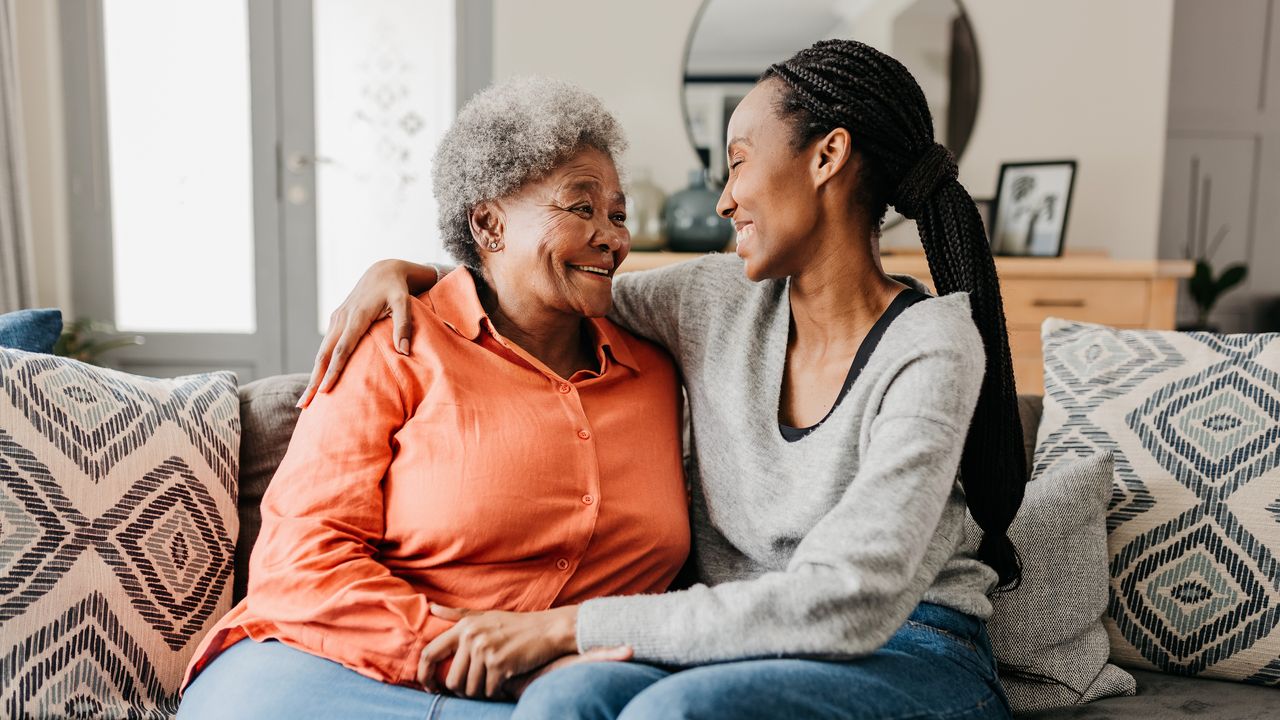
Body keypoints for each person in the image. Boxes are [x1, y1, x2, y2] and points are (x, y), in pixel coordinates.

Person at [306, 39, 1027, 720]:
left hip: (911, 646)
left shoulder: (932, 344)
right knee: (564, 701)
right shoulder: (711, 300)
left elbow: (849, 602)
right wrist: (415, 272)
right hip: (730, 649)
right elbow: (548, 284)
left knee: (669, 714)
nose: (724, 200)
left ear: (827, 156)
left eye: (739, 161)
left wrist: (567, 627)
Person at [176, 76, 692, 720]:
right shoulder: (395, 343)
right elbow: (300, 562)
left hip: (566, 693)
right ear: (488, 223)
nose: (612, 238)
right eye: (580, 207)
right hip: (332, 666)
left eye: (618, 215)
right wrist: (475, 652)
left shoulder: (659, 367)